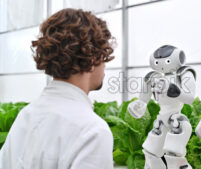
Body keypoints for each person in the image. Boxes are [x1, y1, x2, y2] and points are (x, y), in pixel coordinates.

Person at [0, 8, 115, 169]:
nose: (104, 66)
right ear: (92, 58)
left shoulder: (26, 116)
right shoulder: (93, 131)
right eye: (103, 57)